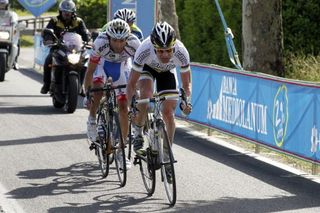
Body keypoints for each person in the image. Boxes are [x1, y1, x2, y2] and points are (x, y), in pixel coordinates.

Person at [126, 21, 192, 155]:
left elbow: (186, 84)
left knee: (168, 113)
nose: (165, 55)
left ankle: (167, 153)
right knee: (145, 95)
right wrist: (131, 105)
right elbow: (131, 84)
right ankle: (138, 132)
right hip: (148, 69)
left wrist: (186, 102)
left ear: (174, 47)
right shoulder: (144, 49)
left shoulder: (181, 51)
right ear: (154, 47)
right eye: (160, 51)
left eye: (168, 50)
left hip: (168, 72)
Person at [83, 19, 141, 169]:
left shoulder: (135, 44)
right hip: (102, 65)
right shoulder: (100, 43)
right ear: (108, 37)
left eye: (122, 40)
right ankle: (92, 120)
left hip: (121, 67)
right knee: (97, 91)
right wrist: (87, 92)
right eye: (115, 40)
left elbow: (140, 71)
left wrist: (137, 92)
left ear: (127, 38)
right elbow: (90, 70)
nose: (118, 44)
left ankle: (121, 151)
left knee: (123, 107)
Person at [40, 0, 90, 94]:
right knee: (48, 59)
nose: (66, 14)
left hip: (76, 49)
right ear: (60, 11)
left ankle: (82, 85)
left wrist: (88, 40)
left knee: (85, 62)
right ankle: (46, 84)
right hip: (58, 48)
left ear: (73, 12)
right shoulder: (54, 20)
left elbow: (85, 34)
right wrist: (48, 39)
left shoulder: (79, 21)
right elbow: (48, 31)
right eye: (64, 12)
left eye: (69, 12)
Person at [0, 0, 20, 70]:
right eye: (0, 4)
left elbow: (15, 23)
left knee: (16, 42)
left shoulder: (12, 14)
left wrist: (17, 26)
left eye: (3, 5)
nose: (1, 6)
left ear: (7, 5)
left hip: (7, 35)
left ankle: (15, 60)